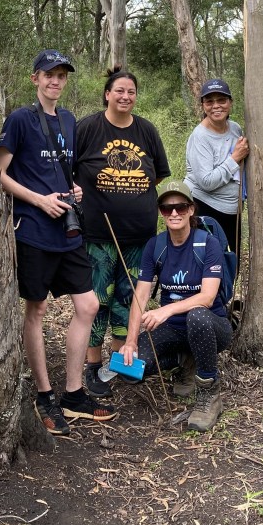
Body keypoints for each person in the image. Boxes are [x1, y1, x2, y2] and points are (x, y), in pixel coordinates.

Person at [0, 50, 117, 436]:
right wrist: (38, 200)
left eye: (62, 75)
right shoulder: (20, 119)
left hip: (67, 229)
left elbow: (60, 169)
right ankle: (44, 395)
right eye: (49, 74)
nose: (56, 81)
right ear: (35, 78)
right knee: (37, 308)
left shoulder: (67, 120)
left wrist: (73, 189)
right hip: (33, 228)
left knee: (89, 304)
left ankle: (74, 394)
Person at [75, 68, 170, 398]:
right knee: (97, 300)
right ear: (107, 94)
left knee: (127, 300)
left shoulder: (146, 130)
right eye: (119, 91)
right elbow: (67, 170)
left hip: (139, 236)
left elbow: (157, 175)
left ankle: (120, 361)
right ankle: (92, 364)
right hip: (97, 235)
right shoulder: (88, 128)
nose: (125, 96)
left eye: (131, 91)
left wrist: (129, 192)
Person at [122, 180, 233, 431]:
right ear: (161, 212)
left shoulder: (207, 243)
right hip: (173, 330)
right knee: (130, 369)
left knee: (197, 315)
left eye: (180, 207)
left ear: (191, 209)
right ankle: (185, 360)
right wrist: (130, 341)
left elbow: (207, 297)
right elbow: (141, 295)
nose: (174, 213)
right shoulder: (156, 246)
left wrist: (167, 309)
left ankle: (209, 392)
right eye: (166, 208)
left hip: (211, 326)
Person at [184, 79, 248, 261]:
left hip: (232, 210)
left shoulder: (235, 128)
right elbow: (206, 182)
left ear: (230, 102)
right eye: (209, 101)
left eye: (221, 100)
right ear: (203, 105)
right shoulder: (200, 137)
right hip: (204, 206)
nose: (216, 106)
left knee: (230, 263)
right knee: (208, 265)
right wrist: (234, 158)